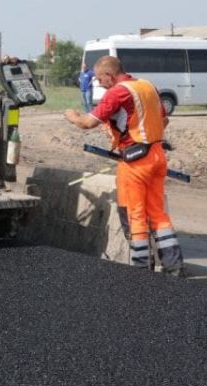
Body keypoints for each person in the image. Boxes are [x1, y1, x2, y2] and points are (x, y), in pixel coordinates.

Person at [63, 56, 184, 275]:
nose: (99, 83)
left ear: (109, 75)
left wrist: (71, 116)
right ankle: (173, 267)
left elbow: (86, 123)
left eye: (100, 79)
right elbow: (164, 120)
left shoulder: (118, 92)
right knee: (158, 213)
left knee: (135, 215)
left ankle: (141, 271)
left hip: (135, 161)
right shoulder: (147, 86)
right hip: (157, 155)